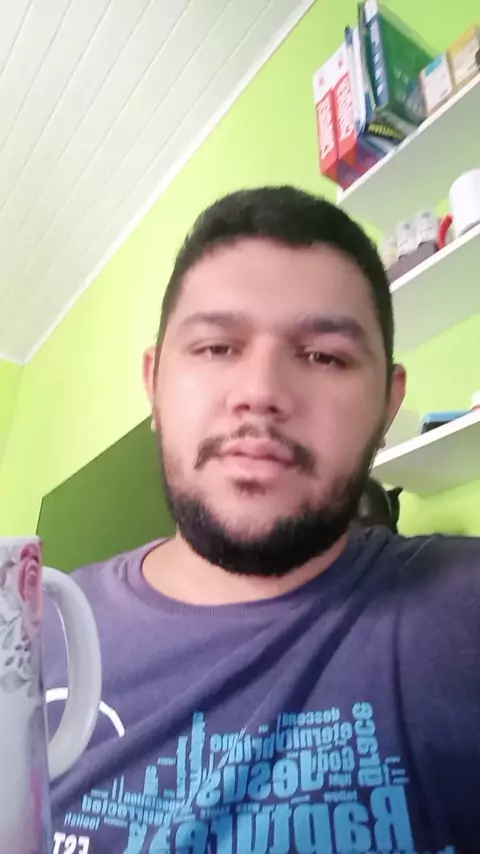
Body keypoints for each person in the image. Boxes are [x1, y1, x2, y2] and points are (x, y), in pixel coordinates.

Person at [44, 186, 480, 854]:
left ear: (388, 406)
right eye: (217, 347)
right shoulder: (29, 643)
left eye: (324, 356)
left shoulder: (461, 611)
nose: (261, 393)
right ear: (154, 383)